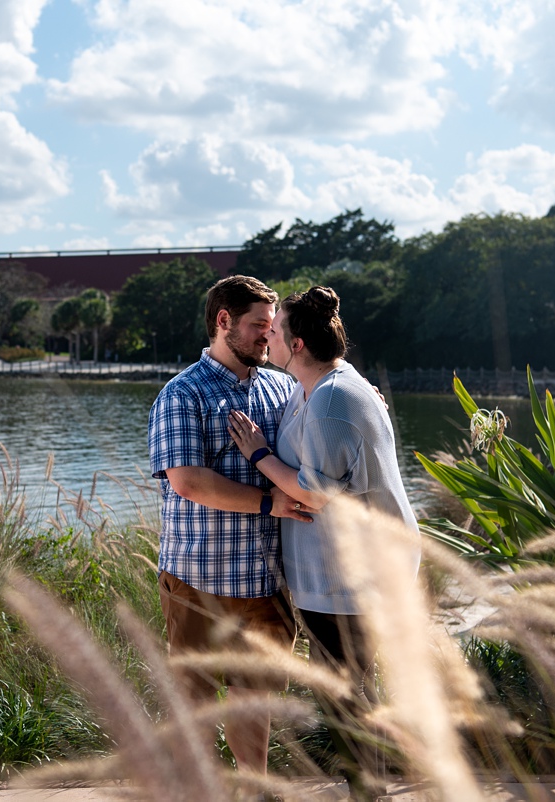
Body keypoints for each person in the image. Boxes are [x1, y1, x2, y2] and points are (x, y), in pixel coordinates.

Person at [227, 286, 418, 798]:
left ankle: (366, 793)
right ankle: (365, 788)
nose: (269, 337)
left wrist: (259, 454)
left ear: (300, 345)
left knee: (345, 693)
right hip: (331, 577)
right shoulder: (313, 386)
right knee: (345, 688)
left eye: (277, 331)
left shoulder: (332, 398)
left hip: (356, 576)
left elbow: (314, 494)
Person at [147, 275, 313, 775]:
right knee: (196, 694)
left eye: (272, 325)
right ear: (224, 322)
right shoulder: (183, 394)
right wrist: (269, 503)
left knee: (252, 693)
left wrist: (360, 396)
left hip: (266, 578)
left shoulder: (283, 387)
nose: (269, 335)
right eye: (259, 325)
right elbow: (189, 482)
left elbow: (325, 419)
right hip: (197, 577)